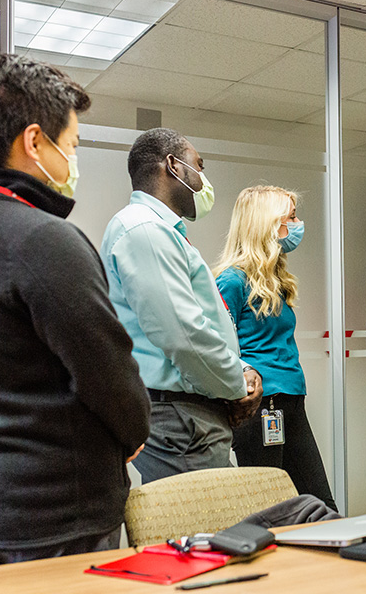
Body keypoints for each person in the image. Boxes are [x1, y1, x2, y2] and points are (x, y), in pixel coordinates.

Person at [0, 54, 150, 568]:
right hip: (51, 518)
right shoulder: (43, 240)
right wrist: (134, 433)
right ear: (33, 142)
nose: (72, 159)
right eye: (69, 144)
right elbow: (111, 378)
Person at [100, 128, 262, 484]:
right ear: (173, 166)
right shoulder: (145, 230)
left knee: (214, 529)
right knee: (205, 532)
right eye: (198, 166)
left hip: (188, 414)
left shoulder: (163, 232)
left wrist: (242, 369)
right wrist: (238, 383)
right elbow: (182, 335)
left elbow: (203, 322)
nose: (203, 180)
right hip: (180, 419)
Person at [214, 185, 337, 510]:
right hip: (259, 407)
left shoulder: (277, 281)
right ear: (266, 224)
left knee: (321, 504)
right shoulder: (232, 281)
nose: (298, 224)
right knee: (271, 508)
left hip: (292, 400)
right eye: (291, 217)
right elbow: (218, 345)